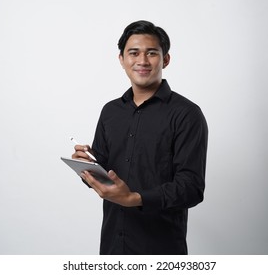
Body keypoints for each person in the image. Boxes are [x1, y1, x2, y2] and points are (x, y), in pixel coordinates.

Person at [72, 20, 208, 255]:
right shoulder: (110, 111)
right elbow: (105, 173)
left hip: (161, 249)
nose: (142, 61)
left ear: (165, 59)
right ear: (122, 60)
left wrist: (135, 198)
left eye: (152, 53)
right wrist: (87, 167)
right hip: (113, 245)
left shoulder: (186, 114)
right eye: (133, 53)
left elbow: (191, 188)